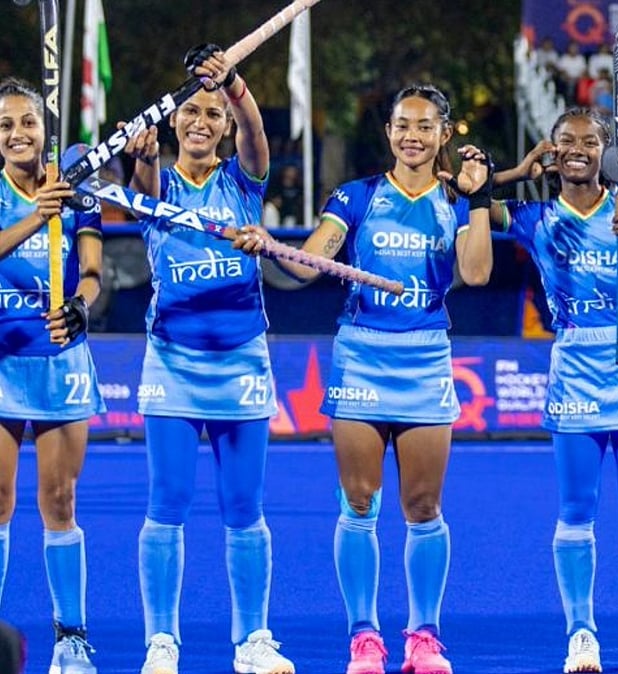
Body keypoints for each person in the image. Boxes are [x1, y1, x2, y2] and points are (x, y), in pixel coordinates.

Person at [239, 83, 493, 674]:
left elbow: (477, 273)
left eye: (425, 126)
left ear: (444, 134)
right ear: (389, 133)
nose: (412, 135)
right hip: (360, 356)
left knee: (424, 505)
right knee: (359, 502)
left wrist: (479, 202)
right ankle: (365, 638)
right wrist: (270, 247)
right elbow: (308, 263)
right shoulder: (356, 198)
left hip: (426, 356)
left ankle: (424, 637)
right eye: (403, 125)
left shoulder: (455, 200)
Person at [492, 108, 618, 673]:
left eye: (590, 141)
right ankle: (581, 633)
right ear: (551, 151)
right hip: (575, 360)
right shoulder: (534, 216)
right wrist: (513, 173)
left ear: (605, 151)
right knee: (576, 511)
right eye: (565, 141)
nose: (578, 148)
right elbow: (461, 195)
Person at [127, 45, 294, 674]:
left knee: (244, 508)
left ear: (224, 126)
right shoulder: (157, 182)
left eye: (213, 113)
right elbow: (140, 182)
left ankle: (252, 639)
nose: (202, 120)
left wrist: (236, 85)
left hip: (243, 361)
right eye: (192, 112)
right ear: (175, 121)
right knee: (167, 503)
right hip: (172, 361)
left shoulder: (245, 183)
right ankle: (161, 642)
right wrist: (138, 161)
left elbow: (255, 131)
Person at [0, 77, 105, 674]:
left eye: (28, 123)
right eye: (5, 125)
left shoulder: (76, 191)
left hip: (60, 359)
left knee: (60, 500)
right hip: (2, 357)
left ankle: (71, 638)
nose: (18, 134)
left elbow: (93, 271)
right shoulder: (23, 198)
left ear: (45, 129)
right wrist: (38, 217)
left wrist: (82, 307)